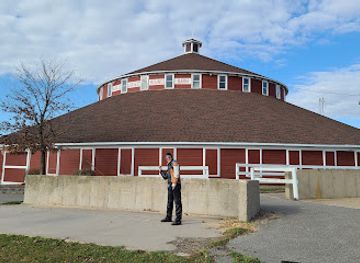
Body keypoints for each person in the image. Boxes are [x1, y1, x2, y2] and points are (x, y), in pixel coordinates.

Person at [159, 152, 182, 225]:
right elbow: (166, 177)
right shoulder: (169, 166)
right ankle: (168, 217)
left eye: (168, 157)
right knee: (170, 202)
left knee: (177, 202)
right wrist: (161, 171)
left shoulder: (174, 163)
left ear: (170, 157)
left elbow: (177, 174)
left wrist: (174, 183)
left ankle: (178, 220)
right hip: (170, 186)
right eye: (166, 158)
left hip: (175, 185)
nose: (167, 159)